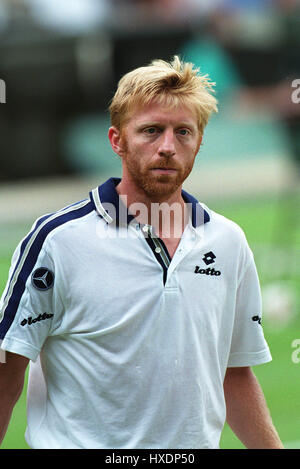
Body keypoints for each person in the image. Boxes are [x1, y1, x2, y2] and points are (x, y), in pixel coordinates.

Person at [0, 56, 283, 449]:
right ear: (117, 140)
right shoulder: (57, 239)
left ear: (199, 142)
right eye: (151, 130)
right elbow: (7, 367)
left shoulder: (228, 241)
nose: (168, 147)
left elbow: (233, 374)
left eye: (183, 132)